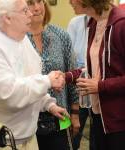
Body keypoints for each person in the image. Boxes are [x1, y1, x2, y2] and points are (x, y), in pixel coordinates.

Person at [0, 0, 69, 149]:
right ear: (7, 18)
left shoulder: (20, 37)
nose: (31, 13)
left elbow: (29, 79)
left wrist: (48, 104)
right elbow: (7, 93)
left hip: (27, 136)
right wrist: (47, 81)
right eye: (25, 10)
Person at [68, 0, 125, 149]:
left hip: (119, 121)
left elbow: (101, 80)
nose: (69, 2)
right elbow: (95, 69)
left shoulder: (121, 24)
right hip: (99, 114)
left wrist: (101, 86)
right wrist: (67, 76)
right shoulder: (94, 24)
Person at [26, 0, 80, 150]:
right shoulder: (19, 39)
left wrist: (75, 113)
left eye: (40, 2)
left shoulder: (61, 36)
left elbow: (73, 75)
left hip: (60, 118)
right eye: (30, 3)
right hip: (28, 122)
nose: (37, 8)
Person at [67, 15, 94, 150]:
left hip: (99, 91)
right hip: (78, 87)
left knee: (97, 140)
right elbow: (70, 56)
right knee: (74, 137)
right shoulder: (75, 23)